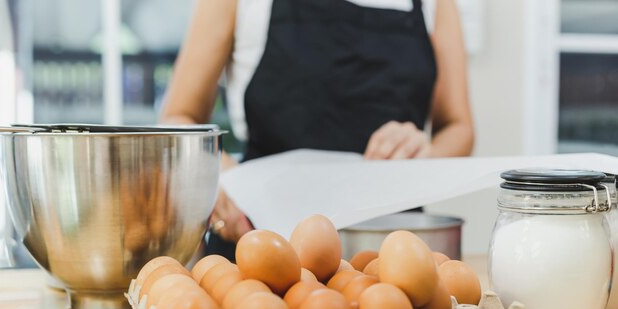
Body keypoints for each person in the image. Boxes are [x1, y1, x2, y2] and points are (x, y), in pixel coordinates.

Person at [161, 0, 474, 260]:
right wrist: (215, 170)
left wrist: (427, 151)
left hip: (393, 250)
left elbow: (458, 128)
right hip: (263, 246)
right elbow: (178, 116)